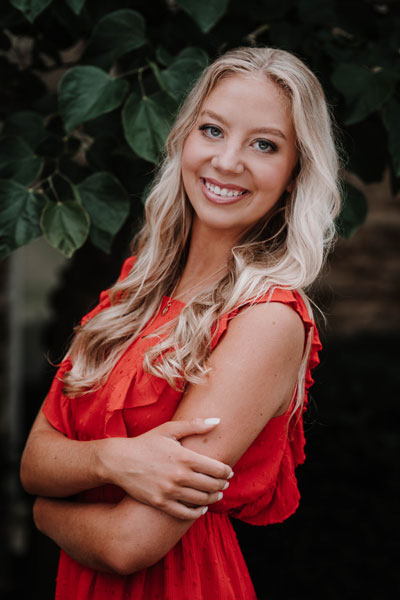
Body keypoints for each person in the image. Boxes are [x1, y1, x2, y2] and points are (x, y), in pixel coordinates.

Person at [20, 46, 341, 599]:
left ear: (293, 175)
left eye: (264, 144)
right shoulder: (134, 290)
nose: (227, 161)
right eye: (213, 130)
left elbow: (129, 543)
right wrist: (112, 460)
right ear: (184, 140)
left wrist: (47, 513)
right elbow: (34, 461)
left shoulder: (266, 319)